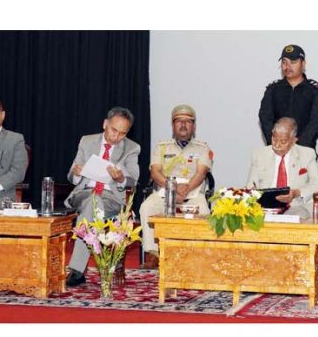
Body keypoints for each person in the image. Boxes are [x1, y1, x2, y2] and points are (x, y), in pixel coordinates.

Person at [65, 107, 140, 287]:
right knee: (93, 199)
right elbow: (71, 177)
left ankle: (77, 270)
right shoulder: (87, 141)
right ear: (105, 124)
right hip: (83, 193)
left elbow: (133, 180)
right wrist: (76, 173)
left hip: (112, 199)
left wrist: (121, 178)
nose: (116, 137)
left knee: (95, 202)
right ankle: (89, 259)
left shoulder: (132, 148)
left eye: (122, 133)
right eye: (114, 130)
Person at [139, 104, 213, 269]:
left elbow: (201, 173)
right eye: (179, 121)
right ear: (173, 125)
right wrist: (172, 187)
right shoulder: (161, 146)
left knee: (204, 212)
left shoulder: (203, 148)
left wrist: (185, 189)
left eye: (188, 122)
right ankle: (153, 253)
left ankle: (198, 255)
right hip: (165, 192)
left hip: (192, 193)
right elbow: (155, 172)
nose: (183, 125)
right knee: (146, 207)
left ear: (194, 126)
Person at [247, 117, 318, 220]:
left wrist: (296, 193)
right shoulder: (259, 155)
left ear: (293, 141)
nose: (277, 145)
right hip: (265, 209)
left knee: (292, 218)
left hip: (296, 206)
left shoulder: (307, 154)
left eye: (283, 141)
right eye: (274, 139)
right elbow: (250, 187)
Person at [258, 44, 318, 149]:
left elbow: (316, 123)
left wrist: (297, 147)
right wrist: (278, 143)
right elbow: (265, 118)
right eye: (284, 62)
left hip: (304, 151)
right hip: (276, 150)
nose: (287, 66)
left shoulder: (314, 90)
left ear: (303, 64)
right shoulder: (273, 89)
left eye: (293, 62)